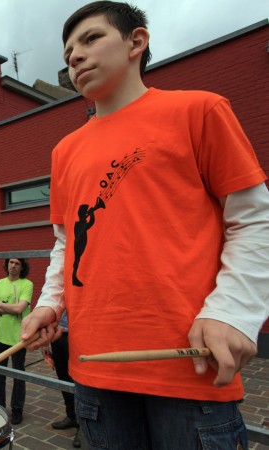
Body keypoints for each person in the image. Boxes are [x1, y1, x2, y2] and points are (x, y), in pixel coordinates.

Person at [20, 2, 269, 449]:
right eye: (67, 52)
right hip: (94, 367)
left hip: (186, 368)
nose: (74, 55)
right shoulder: (64, 151)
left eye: (91, 39)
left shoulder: (200, 111)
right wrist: (50, 305)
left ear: (136, 42)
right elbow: (65, 244)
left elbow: (254, 220)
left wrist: (232, 312)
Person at [0, 257, 33, 425]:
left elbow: (20, 308)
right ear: (7, 265)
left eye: (17, 263)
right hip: (0, 335)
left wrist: (0, 305)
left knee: (18, 374)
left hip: (19, 337)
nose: (13, 265)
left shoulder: (26, 284)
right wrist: (9, 308)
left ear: (22, 267)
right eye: (11, 262)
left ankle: (17, 409)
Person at [47, 311, 81, 448]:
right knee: (63, 378)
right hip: (57, 335)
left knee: (78, 381)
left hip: (76, 335)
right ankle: (71, 416)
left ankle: (83, 427)